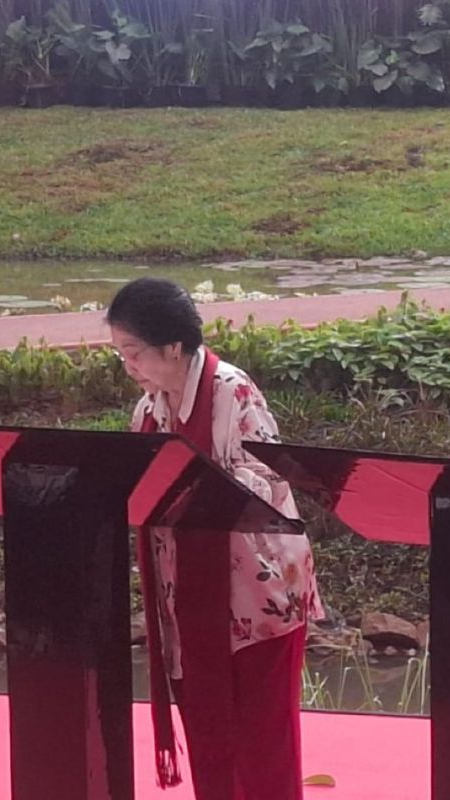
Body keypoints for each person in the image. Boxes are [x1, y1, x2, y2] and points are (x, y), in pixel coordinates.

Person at [107, 277, 321, 800]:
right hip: (189, 600)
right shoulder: (150, 409)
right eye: (120, 355)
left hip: (258, 597)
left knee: (262, 740)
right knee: (208, 730)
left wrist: (190, 482)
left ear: (173, 346)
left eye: (133, 353)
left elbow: (272, 478)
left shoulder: (232, 389)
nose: (128, 367)